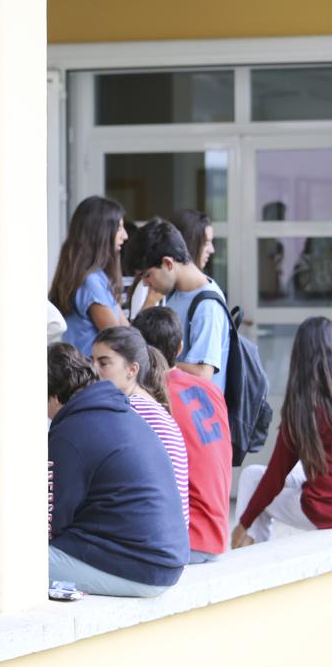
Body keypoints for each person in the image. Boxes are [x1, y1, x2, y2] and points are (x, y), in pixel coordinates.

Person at [47, 343, 188, 597]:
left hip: (141, 567)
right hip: (164, 563)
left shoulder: (70, 432)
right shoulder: (121, 412)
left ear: (55, 396)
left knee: (14, 565)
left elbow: (54, 521)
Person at [133, 307, 233, 563]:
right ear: (179, 348)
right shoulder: (209, 390)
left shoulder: (151, 399)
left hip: (185, 541)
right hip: (218, 534)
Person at [233, 316, 332, 547]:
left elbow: (274, 479)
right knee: (252, 476)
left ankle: (247, 550)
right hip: (321, 495)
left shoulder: (303, 412)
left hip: (321, 512)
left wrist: (243, 523)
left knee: (256, 483)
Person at [91, 327, 190, 527]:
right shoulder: (147, 404)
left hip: (151, 536)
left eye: (103, 363)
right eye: (91, 361)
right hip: (168, 535)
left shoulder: (128, 410)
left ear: (132, 370)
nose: (94, 370)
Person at [133, 219, 231, 394]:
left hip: (196, 414)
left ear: (168, 263)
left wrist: (158, 363)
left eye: (147, 275)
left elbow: (202, 373)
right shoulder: (174, 292)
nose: (146, 284)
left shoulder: (207, 306)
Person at [49, 196, 128, 356]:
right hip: (92, 375)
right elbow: (120, 339)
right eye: (119, 228)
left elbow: (126, 331)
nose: (125, 235)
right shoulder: (90, 282)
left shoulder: (95, 277)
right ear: (101, 232)